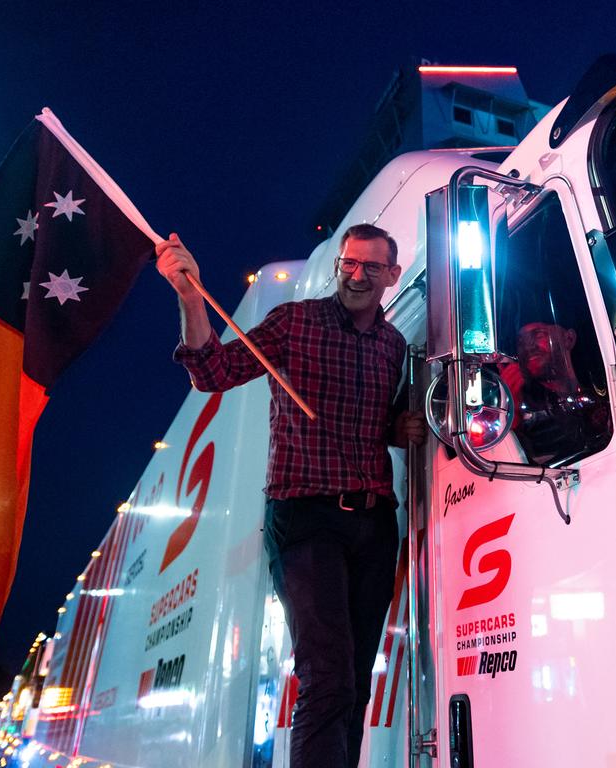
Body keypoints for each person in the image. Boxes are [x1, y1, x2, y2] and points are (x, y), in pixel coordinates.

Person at [156, 223, 425, 768]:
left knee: (354, 685)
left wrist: (405, 428)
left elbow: (384, 427)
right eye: (348, 264)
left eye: (371, 267)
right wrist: (189, 296)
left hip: (375, 527)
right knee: (327, 678)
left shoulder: (394, 345)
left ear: (392, 275)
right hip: (305, 519)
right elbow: (212, 372)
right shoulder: (295, 322)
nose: (355, 276)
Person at [498, 321, 611, 465]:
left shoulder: (601, 388)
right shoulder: (524, 406)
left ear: (568, 339)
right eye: (521, 342)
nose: (528, 347)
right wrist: (509, 407)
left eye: (538, 335)